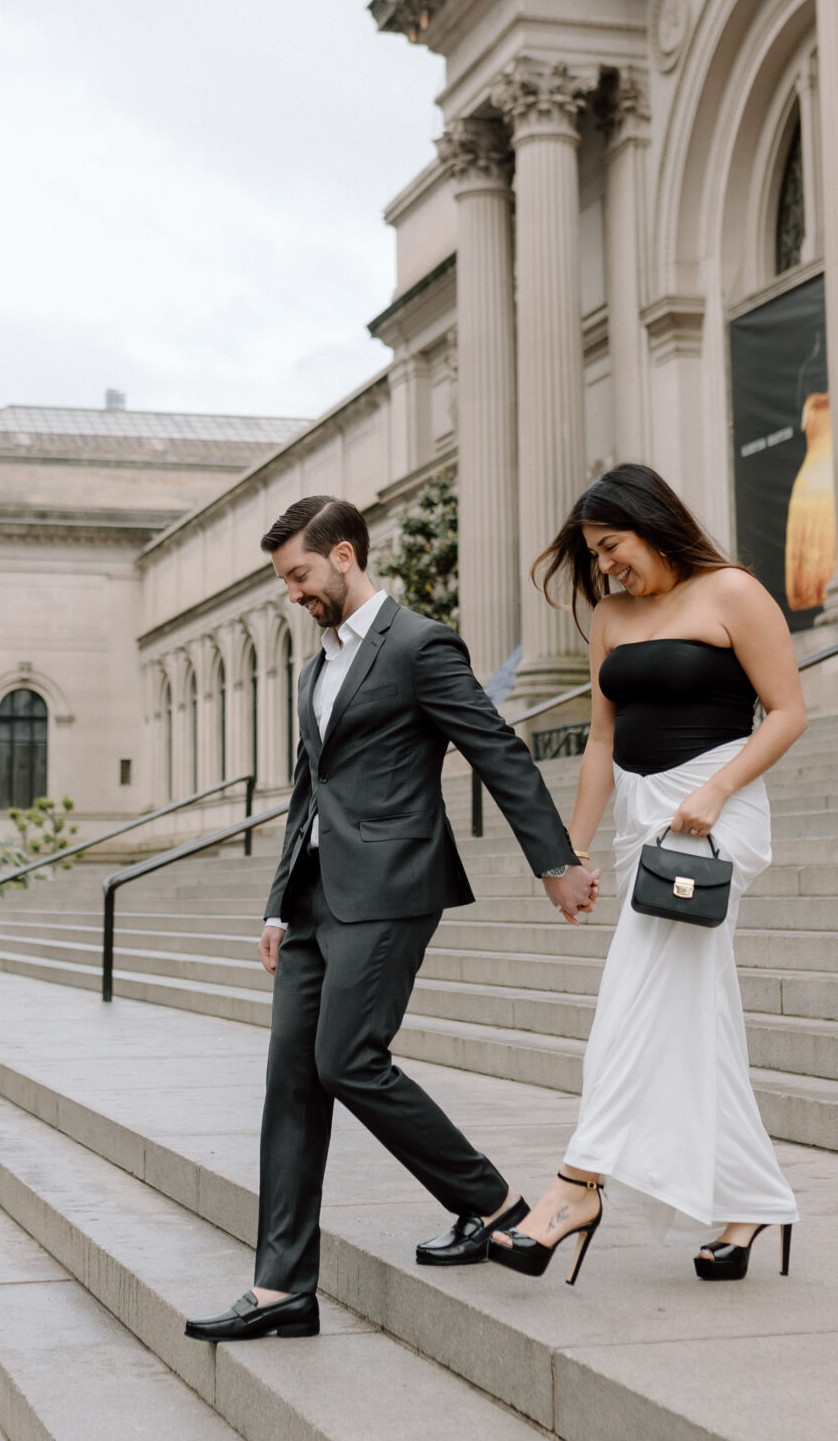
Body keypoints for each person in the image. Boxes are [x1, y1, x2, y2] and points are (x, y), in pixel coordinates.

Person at [185, 494, 599, 1343]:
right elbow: (309, 789)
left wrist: (555, 862)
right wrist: (273, 905)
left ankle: (491, 1200)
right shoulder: (315, 667)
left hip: (391, 888)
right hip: (311, 897)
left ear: (343, 556)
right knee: (290, 1084)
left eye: (298, 574)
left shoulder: (419, 644)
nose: (290, 593)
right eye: (282, 581)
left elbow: (495, 749)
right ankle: (280, 1290)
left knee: (347, 1061)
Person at [489, 463, 806, 1287]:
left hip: (710, 819)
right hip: (642, 823)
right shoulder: (609, 616)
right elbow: (601, 738)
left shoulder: (731, 593)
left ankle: (574, 1186)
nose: (605, 566)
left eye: (611, 546)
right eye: (595, 555)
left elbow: (788, 711)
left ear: (651, 522)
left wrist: (716, 787)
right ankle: (751, 1201)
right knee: (699, 1017)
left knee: (631, 998)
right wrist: (572, 850)